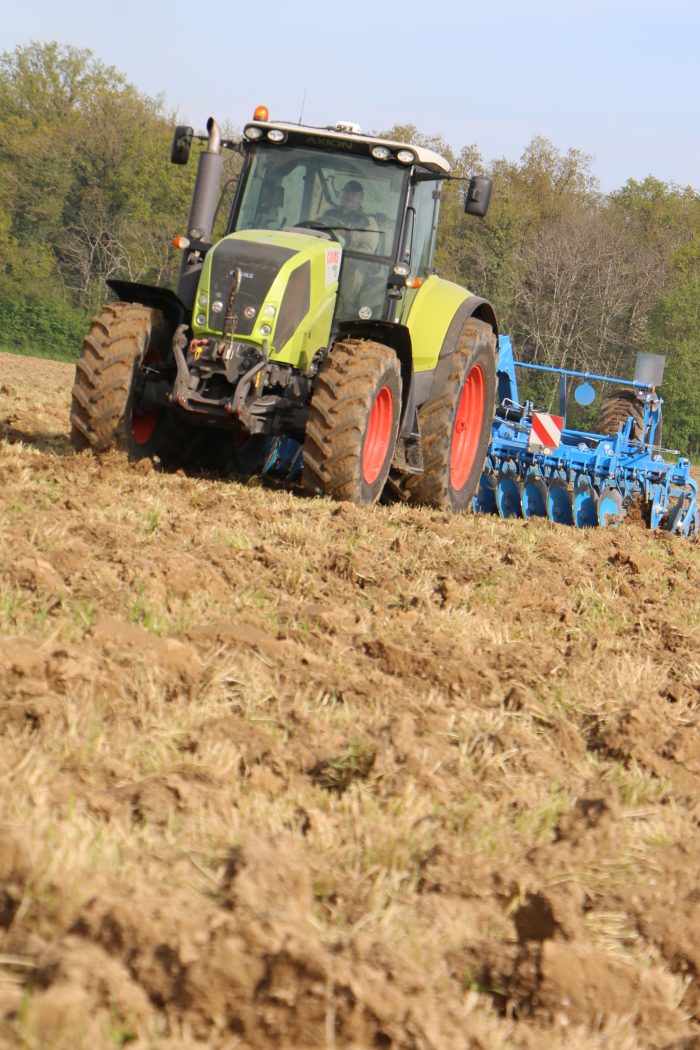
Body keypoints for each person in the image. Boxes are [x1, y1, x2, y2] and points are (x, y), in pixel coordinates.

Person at [320, 180, 379, 254]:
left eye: (354, 194)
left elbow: (367, 251)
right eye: (347, 192)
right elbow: (317, 233)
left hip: (351, 262)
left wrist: (343, 252)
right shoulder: (329, 214)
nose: (349, 196)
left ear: (361, 198)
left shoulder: (368, 222)